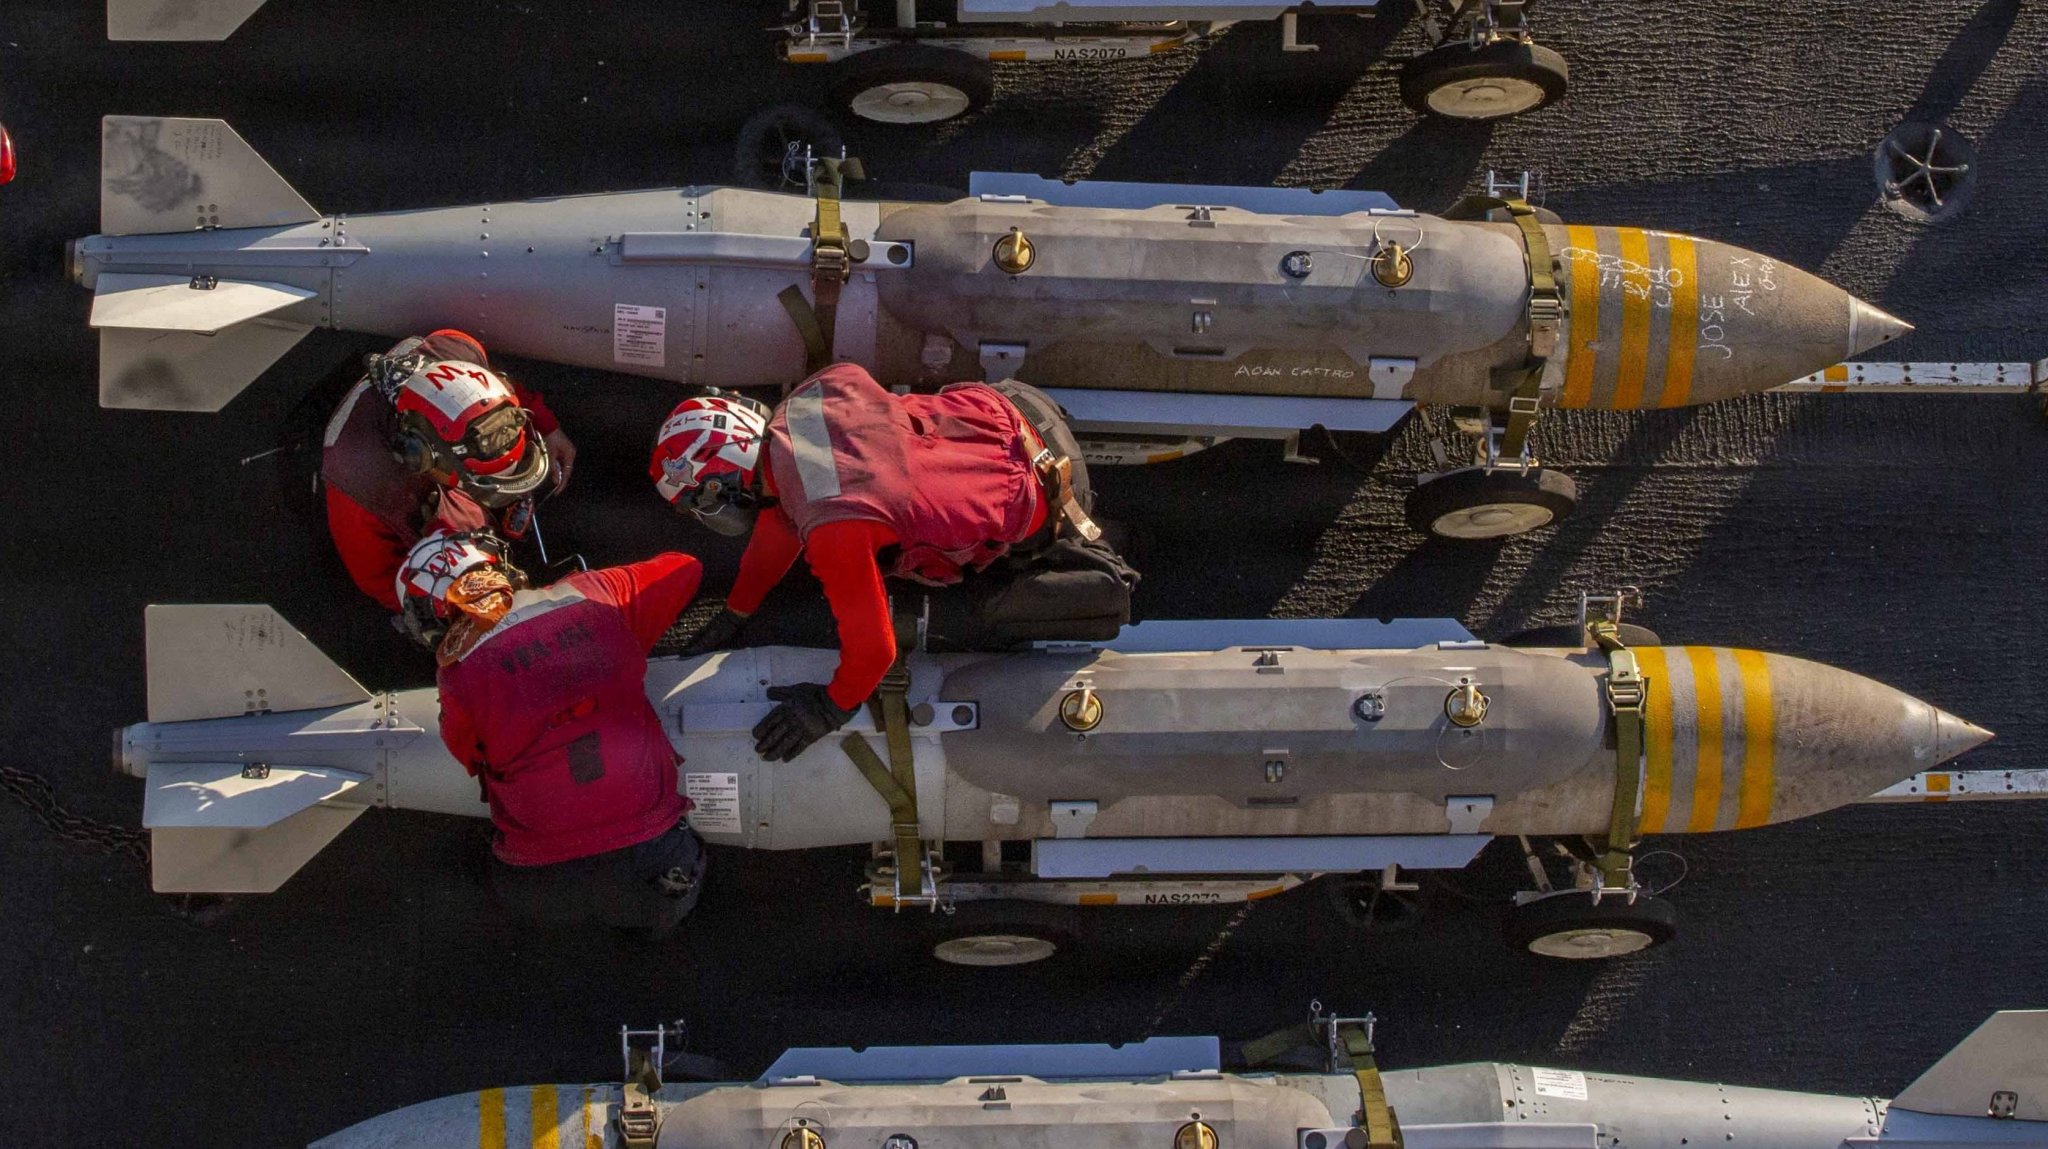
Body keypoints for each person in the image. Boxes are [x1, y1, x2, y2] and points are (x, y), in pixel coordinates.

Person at [648, 362, 1124, 763]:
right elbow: (784, 512)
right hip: (1021, 408)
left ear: (723, 481)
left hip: (1054, 499)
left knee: (958, 609)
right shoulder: (818, 390)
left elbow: (875, 653)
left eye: (702, 501)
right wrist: (738, 608)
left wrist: (829, 707)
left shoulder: (834, 527)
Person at [396, 529, 706, 937]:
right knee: (666, 898)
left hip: (540, 884)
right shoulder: (593, 593)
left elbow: (468, 755)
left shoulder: (456, 674)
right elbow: (686, 569)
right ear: (501, 566)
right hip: (650, 870)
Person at [323, 329, 578, 618]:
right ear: (422, 458)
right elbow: (381, 582)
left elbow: (492, 383)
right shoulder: (359, 484)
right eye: (491, 487)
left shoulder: (456, 352)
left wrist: (545, 424)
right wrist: (455, 603)